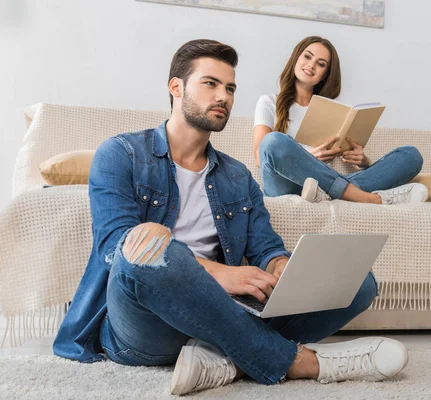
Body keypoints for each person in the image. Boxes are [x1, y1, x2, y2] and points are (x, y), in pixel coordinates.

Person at [52, 39, 408, 396]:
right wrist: (220, 274)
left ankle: (226, 358)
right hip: (144, 326)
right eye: (210, 83)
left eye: (230, 88)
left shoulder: (238, 177)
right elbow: (116, 249)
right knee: (150, 242)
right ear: (176, 87)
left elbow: (266, 246)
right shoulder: (121, 153)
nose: (223, 96)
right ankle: (301, 362)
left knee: (359, 282)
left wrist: (281, 267)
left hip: (222, 314)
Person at [254, 36, 428, 204]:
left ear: (325, 75)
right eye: (307, 56)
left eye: (321, 64)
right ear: (295, 58)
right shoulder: (268, 102)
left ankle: (327, 195)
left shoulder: (330, 111)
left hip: (322, 185)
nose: (311, 65)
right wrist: (309, 157)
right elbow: (260, 157)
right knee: (273, 142)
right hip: (284, 185)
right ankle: (366, 198)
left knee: (410, 155)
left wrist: (363, 162)